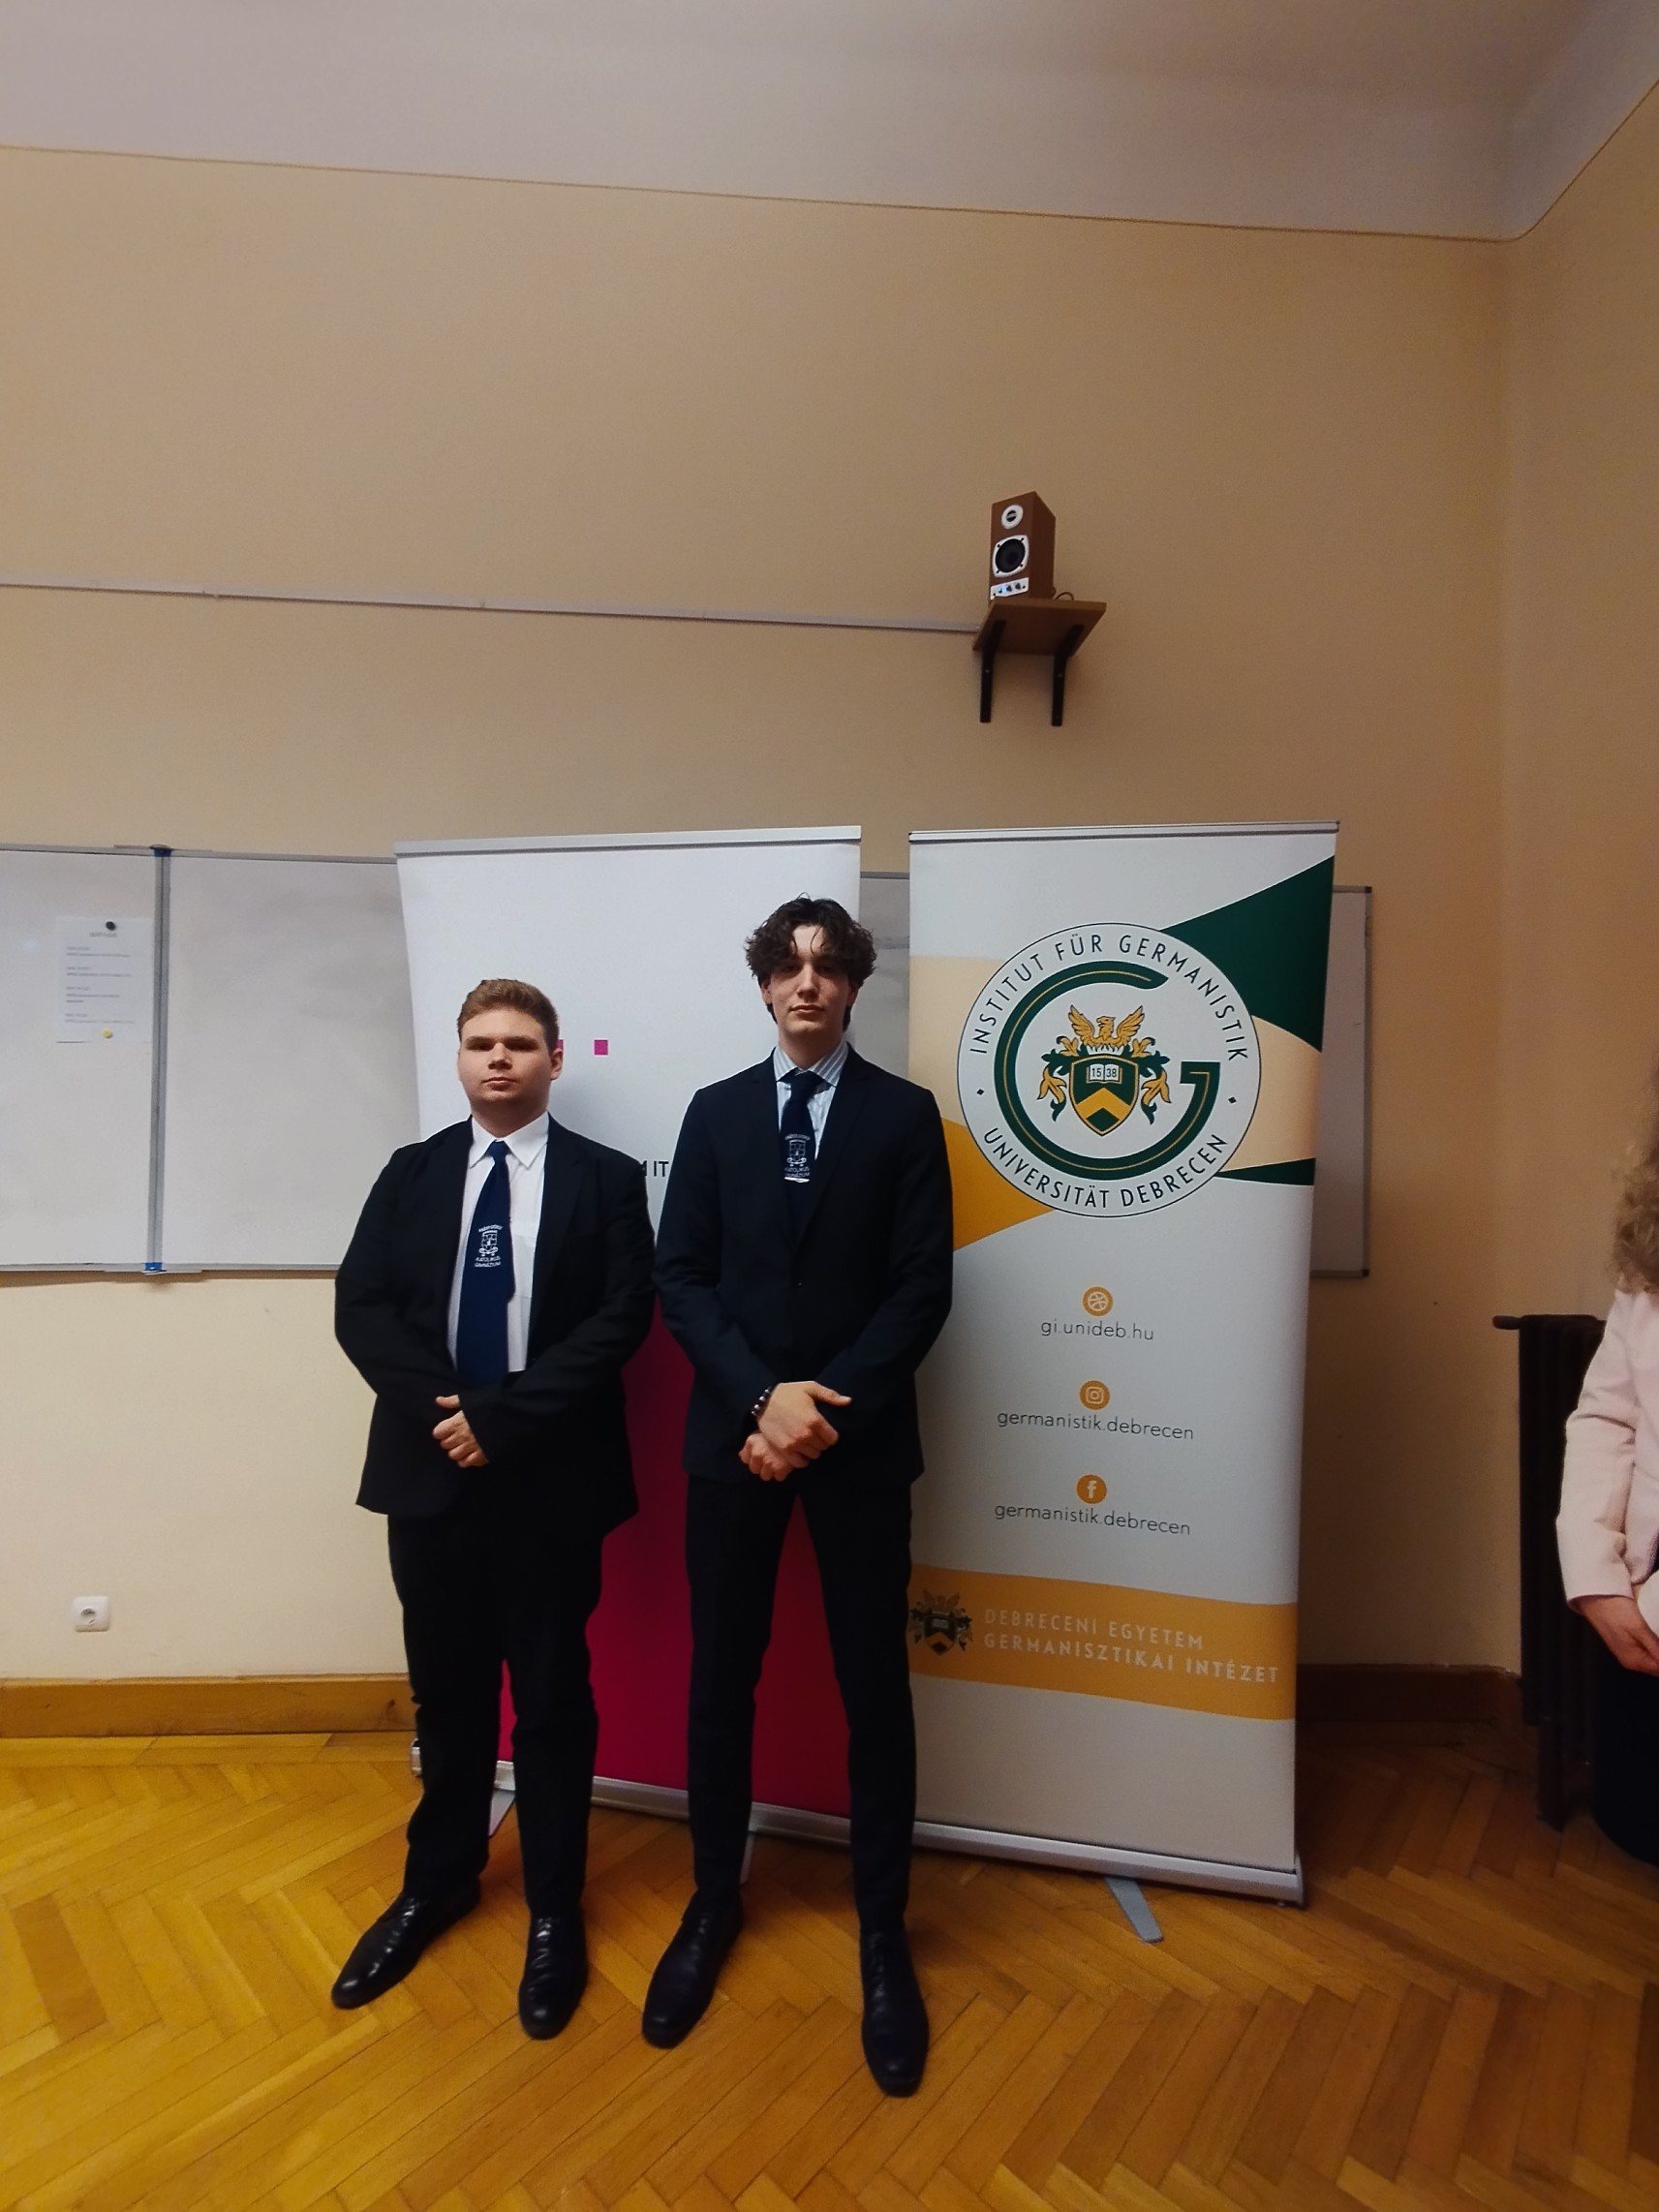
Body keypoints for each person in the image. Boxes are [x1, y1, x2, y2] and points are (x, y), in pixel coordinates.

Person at [646, 896, 954, 2095]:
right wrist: (759, 1402)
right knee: (722, 1678)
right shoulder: (716, 1113)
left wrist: (818, 1416)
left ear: (855, 985)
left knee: (874, 1687)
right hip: (734, 1446)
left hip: (856, 1450)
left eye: (830, 966)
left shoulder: (904, 1116)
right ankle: (711, 1901)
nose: (808, 983)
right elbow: (682, 1276)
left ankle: (883, 1931)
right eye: (790, 965)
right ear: (766, 984)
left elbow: (921, 1289)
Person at [332, 978, 655, 2035]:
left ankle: (555, 1907)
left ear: (555, 1059)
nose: (500, 1058)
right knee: (448, 1692)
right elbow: (360, 1306)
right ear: (461, 1060)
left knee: (553, 1697)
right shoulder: (412, 1172)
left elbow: (621, 1318)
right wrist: (449, 1414)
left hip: (548, 1478)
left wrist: (501, 1418)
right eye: (481, 1044)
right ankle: (439, 1882)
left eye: (520, 1043)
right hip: (430, 1476)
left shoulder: (606, 1179)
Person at [1559, 1076, 1659, 1863]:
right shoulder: (1648, 1258)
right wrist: (1596, 1578)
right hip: (1645, 1587)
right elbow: (1607, 1416)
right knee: (1638, 1816)